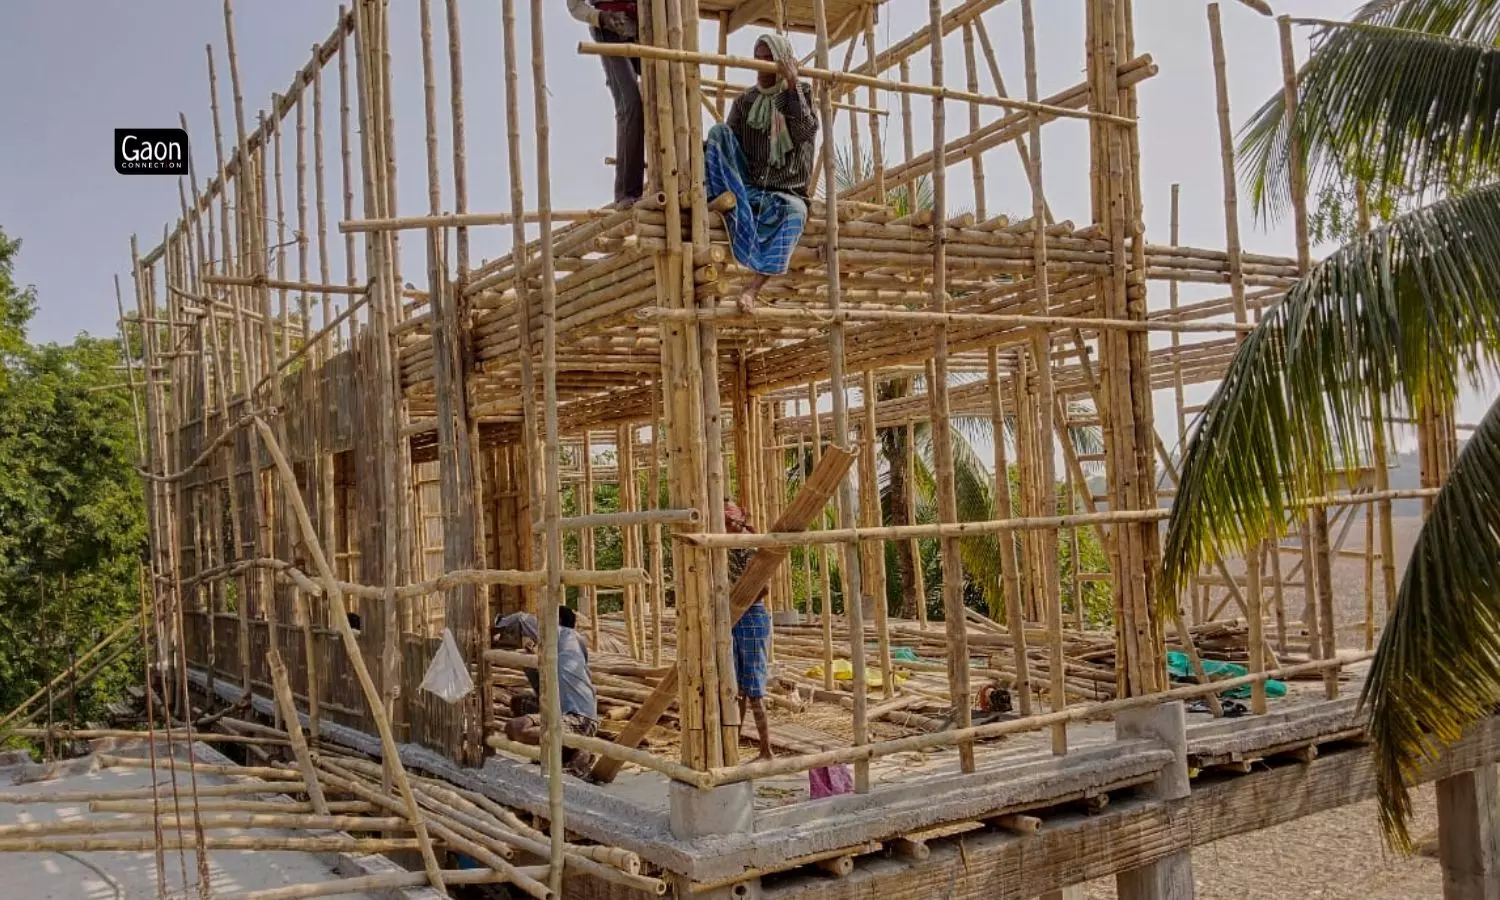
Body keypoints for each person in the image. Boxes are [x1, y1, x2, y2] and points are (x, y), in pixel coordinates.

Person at [706, 33, 820, 314]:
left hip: (787, 192)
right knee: (717, 133)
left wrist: (791, 84)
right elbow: (729, 141)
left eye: (770, 59)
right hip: (751, 183)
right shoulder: (745, 101)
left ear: (784, 62)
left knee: (795, 215)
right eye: (758, 59)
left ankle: (753, 289)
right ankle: (716, 196)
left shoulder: (801, 93)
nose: (763, 65)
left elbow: (806, 131)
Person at [492, 606, 600, 779]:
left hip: (579, 718)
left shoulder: (565, 635)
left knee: (515, 728)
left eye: (544, 618)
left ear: (556, 622)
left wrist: (495, 625)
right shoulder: (563, 647)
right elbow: (543, 689)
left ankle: (580, 746)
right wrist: (531, 661)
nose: (540, 622)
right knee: (517, 702)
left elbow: (521, 618)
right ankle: (565, 748)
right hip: (559, 708)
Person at [567, 0, 645, 209]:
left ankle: (676, 175)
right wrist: (601, 18)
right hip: (609, 27)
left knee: (666, 92)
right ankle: (627, 193)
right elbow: (575, 6)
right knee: (630, 103)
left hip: (644, 26)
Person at [724, 499, 774, 761]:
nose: (726, 522)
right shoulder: (730, 544)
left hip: (751, 616)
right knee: (737, 688)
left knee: (753, 687)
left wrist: (739, 601)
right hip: (735, 616)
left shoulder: (747, 544)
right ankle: (733, 747)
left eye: (728, 517)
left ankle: (766, 749)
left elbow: (763, 588)